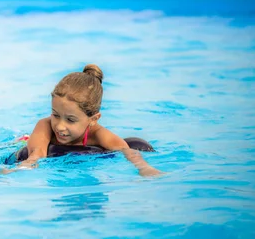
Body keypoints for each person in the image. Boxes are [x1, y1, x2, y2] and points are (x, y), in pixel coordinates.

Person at [22, 64, 161, 177]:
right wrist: (24, 166)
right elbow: (36, 153)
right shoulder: (45, 125)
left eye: (70, 120)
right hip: (26, 139)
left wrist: (144, 168)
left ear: (93, 119)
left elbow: (126, 150)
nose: (59, 126)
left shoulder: (98, 134)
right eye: (55, 115)